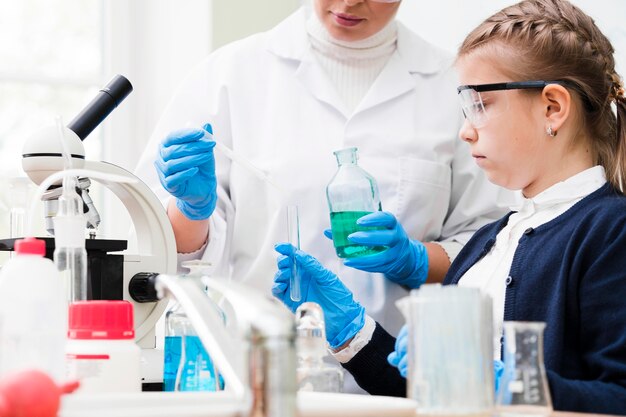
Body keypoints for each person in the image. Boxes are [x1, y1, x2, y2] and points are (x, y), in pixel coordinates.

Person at [273, 0, 626, 413]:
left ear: (553, 107)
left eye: (479, 105)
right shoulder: (488, 244)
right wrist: (351, 331)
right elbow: (426, 395)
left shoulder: (610, 232)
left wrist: (508, 385)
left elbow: (618, 395)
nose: (464, 132)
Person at [134, 0, 506, 392]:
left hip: (400, 381)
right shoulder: (230, 75)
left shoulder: (451, 88)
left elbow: (492, 249)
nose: (350, 3)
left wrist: (414, 261)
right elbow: (163, 253)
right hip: (257, 376)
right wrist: (191, 208)